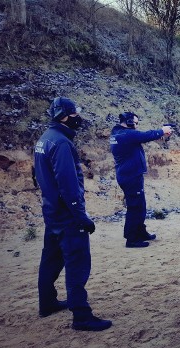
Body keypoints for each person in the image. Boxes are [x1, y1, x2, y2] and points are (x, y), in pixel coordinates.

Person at [34, 96, 113, 331]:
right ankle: (81, 316)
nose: (79, 117)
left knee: (50, 260)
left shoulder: (45, 139)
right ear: (65, 116)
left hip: (52, 212)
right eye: (75, 113)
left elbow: (40, 176)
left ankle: (47, 303)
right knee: (77, 263)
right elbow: (68, 185)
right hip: (67, 215)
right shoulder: (61, 143)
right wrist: (81, 217)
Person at [109, 112, 173, 248]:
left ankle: (140, 232)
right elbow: (145, 136)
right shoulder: (126, 134)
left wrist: (162, 134)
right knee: (135, 208)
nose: (137, 126)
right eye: (136, 123)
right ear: (129, 122)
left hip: (130, 175)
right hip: (130, 176)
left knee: (140, 206)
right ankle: (131, 239)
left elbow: (142, 138)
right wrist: (162, 130)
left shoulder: (119, 134)